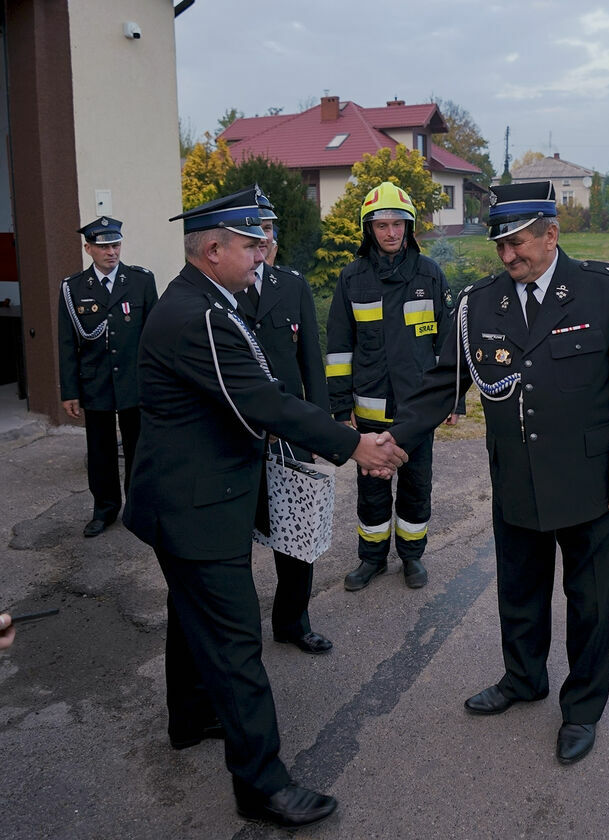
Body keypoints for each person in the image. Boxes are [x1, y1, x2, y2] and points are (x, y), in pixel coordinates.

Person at [123, 188, 407, 829]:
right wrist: (356, 444)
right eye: (251, 245)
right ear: (214, 249)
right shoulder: (197, 315)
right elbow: (262, 401)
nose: (262, 254)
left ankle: (191, 719)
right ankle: (262, 784)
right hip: (195, 508)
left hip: (187, 500)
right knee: (234, 642)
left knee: (189, 617)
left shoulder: (208, 301)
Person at [388, 181, 609, 765]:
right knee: (520, 592)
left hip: (591, 483)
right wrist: (389, 438)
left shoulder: (605, 291)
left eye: (518, 243)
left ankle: (582, 708)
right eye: (500, 246)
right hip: (516, 479)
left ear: (551, 234)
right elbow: (441, 384)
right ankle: (523, 677)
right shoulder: (480, 303)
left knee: (590, 602)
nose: (509, 257)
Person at [325, 181, 457, 592]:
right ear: (369, 229)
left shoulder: (429, 274)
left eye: (397, 224)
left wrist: (451, 400)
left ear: (409, 226)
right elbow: (338, 347)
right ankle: (371, 559)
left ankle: (412, 557)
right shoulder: (352, 279)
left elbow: (448, 344)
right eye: (381, 225)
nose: (390, 233)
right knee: (372, 490)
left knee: (416, 486)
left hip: (417, 413)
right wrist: (338, 405)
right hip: (369, 412)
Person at [235, 187, 334, 655]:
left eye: (269, 229)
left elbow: (311, 364)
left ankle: (293, 622)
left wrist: (319, 432)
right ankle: (238, 633)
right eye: (255, 229)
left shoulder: (290, 285)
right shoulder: (222, 291)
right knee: (235, 544)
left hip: (289, 435)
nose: (263, 238)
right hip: (236, 436)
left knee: (295, 535)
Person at [57, 216, 158, 537]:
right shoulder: (73, 288)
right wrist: (69, 390)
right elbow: (66, 342)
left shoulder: (141, 281)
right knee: (100, 452)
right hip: (96, 382)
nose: (111, 252)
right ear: (89, 249)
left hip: (135, 382)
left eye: (115, 245)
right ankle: (104, 510)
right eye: (103, 247)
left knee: (137, 448)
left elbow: (155, 336)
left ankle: (138, 508)